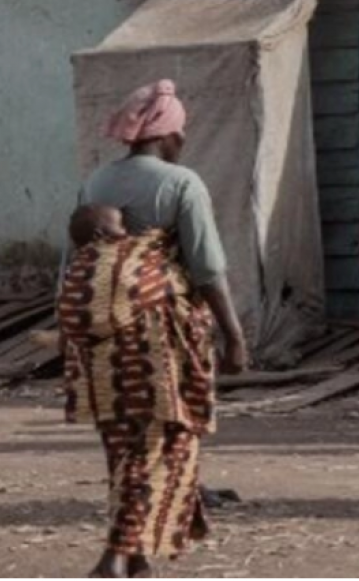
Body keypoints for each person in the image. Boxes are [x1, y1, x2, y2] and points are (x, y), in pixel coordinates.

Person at [67, 79, 248, 578]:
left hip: (104, 341)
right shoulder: (182, 183)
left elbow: (73, 262)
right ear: (168, 135)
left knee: (121, 446)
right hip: (161, 336)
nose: (183, 141)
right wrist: (234, 335)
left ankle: (139, 556)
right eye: (181, 132)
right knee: (160, 445)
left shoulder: (96, 182)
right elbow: (207, 268)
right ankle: (115, 556)